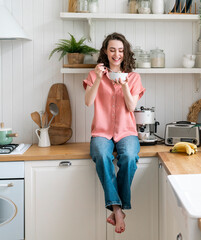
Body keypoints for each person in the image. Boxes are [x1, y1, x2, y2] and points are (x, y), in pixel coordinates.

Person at [83, 32, 145, 234]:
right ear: (105, 52)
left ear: (125, 52)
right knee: (101, 155)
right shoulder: (95, 75)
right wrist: (99, 79)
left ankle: (115, 208)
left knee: (128, 157)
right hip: (101, 131)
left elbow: (131, 105)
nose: (116, 54)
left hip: (127, 131)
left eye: (120, 50)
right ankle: (118, 209)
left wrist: (125, 86)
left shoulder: (133, 77)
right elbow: (88, 101)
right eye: (112, 50)